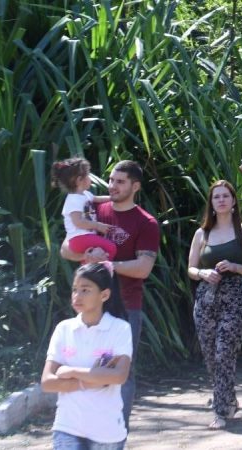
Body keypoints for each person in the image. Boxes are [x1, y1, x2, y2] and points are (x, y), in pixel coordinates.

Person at [60, 160, 160, 430]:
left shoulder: (146, 223)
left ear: (135, 186)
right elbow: (65, 250)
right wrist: (85, 255)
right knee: (85, 369)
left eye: (120, 182)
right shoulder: (93, 208)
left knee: (121, 374)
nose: (112, 186)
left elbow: (142, 269)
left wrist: (107, 265)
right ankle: (86, 434)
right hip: (91, 309)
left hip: (127, 308)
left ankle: (116, 437)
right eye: (111, 180)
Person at [187, 180, 242, 429]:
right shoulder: (202, 234)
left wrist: (234, 267)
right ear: (211, 203)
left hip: (234, 299)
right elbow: (191, 268)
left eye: (225, 196)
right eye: (216, 197)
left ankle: (220, 412)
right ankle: (229, 399)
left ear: (233, 202)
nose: (220, 200)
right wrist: (203, 274)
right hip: (206, 298)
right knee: (211, 356)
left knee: (223, 354)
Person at [41, 263, 132, 449]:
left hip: (107, 433)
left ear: (104, 295)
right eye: (75, 289)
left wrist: (70, 370)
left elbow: (119, 376)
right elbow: (48, 382)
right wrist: (89, 380)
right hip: (67, 427)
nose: (77, 296)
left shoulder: (120, 329)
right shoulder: (63, 329)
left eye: (85, 290)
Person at [52, 157, 116, 261]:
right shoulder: (73, 199)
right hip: (79, 238)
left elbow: (97, 199)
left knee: (96, 255)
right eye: (88, 175)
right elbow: (78, 222)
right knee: (110, 248)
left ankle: (89, 269)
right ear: (79, 180)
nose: (90, 178)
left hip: (84, 237)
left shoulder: (84, 194)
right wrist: (98, 226)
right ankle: (105, 269)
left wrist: (113, 198)